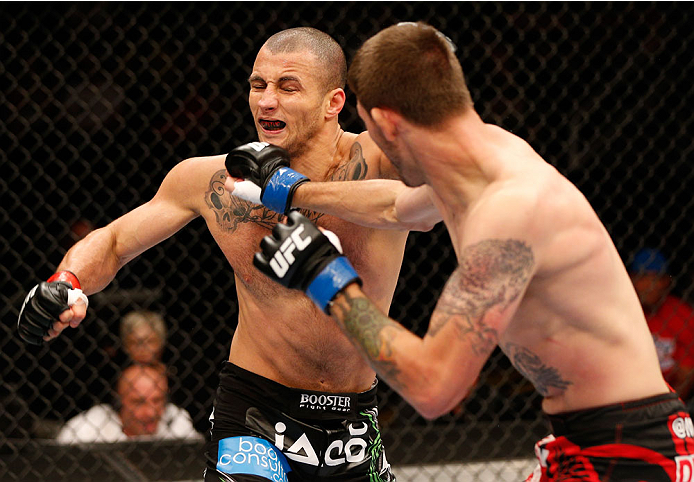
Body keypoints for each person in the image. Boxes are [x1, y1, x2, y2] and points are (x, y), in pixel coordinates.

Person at [240, 22, 694, 481]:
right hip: (583, 439)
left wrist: (325, 278)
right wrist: (293, 191)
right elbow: (398, 206)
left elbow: (433, 388)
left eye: (369, 127)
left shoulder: (511, 212)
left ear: (389, 123)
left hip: (632, 453)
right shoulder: (485, 154)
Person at [16, 27, 435, 482]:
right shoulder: (212, 181)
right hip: (253, 412)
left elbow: (428, 206)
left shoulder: (379, 157)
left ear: (334, 102)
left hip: (354, 423)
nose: (266, 101)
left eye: (287, 87)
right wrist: (67, 281)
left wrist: (295, 193)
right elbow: (115, 240)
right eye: (258, 85)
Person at [56, 364, 201, 443]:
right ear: (119, 401)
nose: (151, 413)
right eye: (139, 402)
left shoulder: (176, 420)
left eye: (157, 400)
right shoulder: (86, 430)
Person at [630, 248, 694, 403]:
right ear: (631, 279)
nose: (649, 285)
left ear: (666, 281)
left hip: (670, 395)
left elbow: (687, 373)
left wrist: (670, 408)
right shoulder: (621, 312)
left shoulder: (682, 314)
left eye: (656, 278)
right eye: (643, 277)